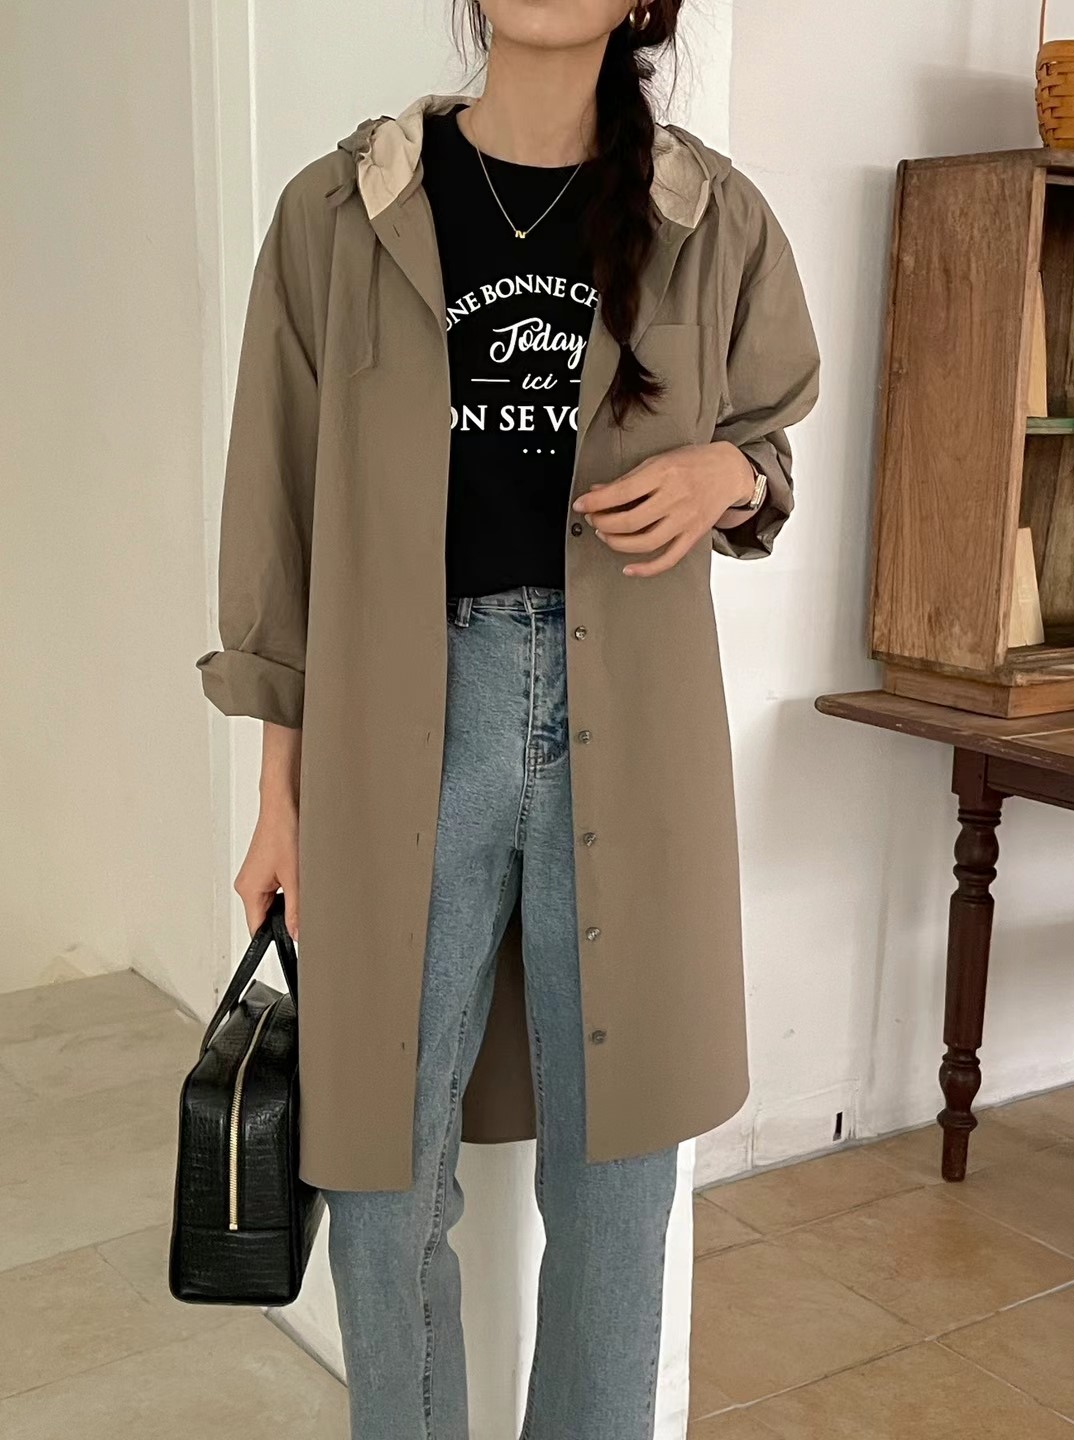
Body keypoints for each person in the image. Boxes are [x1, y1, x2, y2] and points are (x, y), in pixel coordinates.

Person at [196, 1, 820, 1435]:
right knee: (377, 1165)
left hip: (633, 724)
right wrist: (279, 798)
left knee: (618, 1176)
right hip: (400, 717)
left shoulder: (710, 218)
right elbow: (279, 512)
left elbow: (771, 437)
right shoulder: (340, 216)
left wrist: (726, 475)